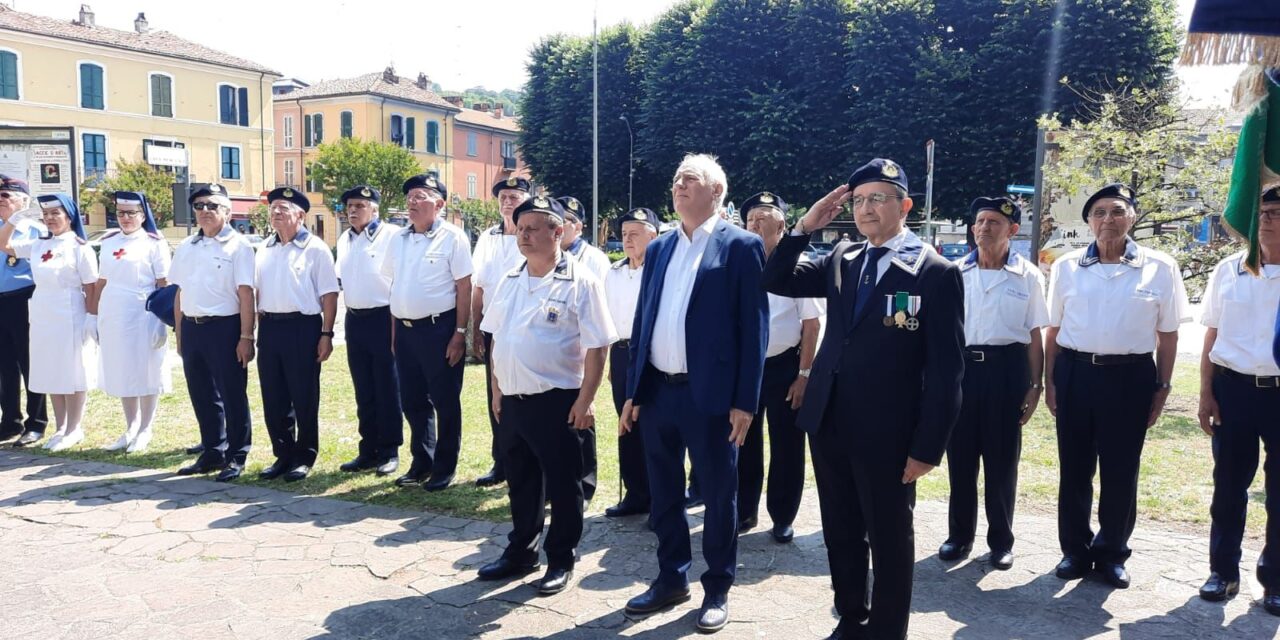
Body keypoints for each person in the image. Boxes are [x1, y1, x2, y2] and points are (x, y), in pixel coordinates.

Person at [762, 158, 964, 640]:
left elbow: (946, 371)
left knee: (890, 536)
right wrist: (805, 226)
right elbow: (775, 279)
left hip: (890, 432)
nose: (866, 209)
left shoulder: (934, 271)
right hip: (831, 419)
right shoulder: (843, 258)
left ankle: (887, 630)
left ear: (905, 206)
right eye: (858, 200)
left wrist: (926, 448)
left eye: (879, 198)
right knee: (841, 527)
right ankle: (851, 616)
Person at [620, 153, 769, 634]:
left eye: (691, 179)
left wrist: (746, 400)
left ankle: (718, 587)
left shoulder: (741, 246)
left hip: (713, 398)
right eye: (677, 179)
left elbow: (755, 329)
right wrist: (633, 390)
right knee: (664, 493)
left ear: (716, 192)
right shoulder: (661, 247)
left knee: (718, 493)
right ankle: (671, 578)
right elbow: (644, 318)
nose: (679, 185)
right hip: (660, 392)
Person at [1045, 183, 1190, 589]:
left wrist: (1162, 387)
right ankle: (1074, 549)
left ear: (1133, 217)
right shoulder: (1066, 267)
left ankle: (1112, 553)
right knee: (1074, 468)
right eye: (1099, 213)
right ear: (1089, 221)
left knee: (1121, 470)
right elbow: (1053, 331)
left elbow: (1170, 335)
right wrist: (1050, 383)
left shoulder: (1160, 267)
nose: (1108, 219)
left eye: (1117, 211)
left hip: (1131, 378)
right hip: (1076, 374)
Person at [478, 195, 614, 595]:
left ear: (558, 233)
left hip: (557, 399)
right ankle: (520, 552)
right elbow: (496, 340)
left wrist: (586, 401)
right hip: (514, 400)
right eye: (520, 228)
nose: (524, 235)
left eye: (533, 228)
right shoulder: (509, 279)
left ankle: (560, 559)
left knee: (563, 484)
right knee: (520, 481)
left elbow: (597, 346)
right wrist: (496, 392)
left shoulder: (582, 280)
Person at [939, 197, 1047, 571]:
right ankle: (959, 536)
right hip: (963, 372)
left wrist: (1036, 386)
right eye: (980, 221)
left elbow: (1035, 335)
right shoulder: (953, 272)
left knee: (1002, 463)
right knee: (961, 459)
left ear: (1012, 231)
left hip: (1006, 372)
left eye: (994, 223)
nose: (984, 228)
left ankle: (1001, 540)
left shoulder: (1029, 276)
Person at [1196, 185, 1280, 613]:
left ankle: (1276, 581)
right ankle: (1223, 571)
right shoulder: (1228, 269)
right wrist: (1206, 393)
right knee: (1229, 487)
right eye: (1262, 211)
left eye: (1276, 212)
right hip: (1233, 390)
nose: (1266, 218)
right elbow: (1212, 332)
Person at [741, 191, 823, 544]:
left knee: (787, 444)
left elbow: (812, 325)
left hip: (785, 367)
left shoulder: (800, 265)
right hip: (746, 367)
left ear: (783, 225)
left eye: (763, 218)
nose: (755, 224)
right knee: (742, 440)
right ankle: (744, 509)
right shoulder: (739, 264)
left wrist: (804, 375)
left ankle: (783, 515)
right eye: (749, 220)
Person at [382, 174, 471, 491]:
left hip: (440, 330)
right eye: (410, 197)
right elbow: (395, 286)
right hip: (405, 332)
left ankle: (444, 467)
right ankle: (422, 461)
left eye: (420, 196)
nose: (412, 202)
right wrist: (395, 332)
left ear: (440, 204)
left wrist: (460, 333)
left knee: (446, 400)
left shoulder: (453, 237)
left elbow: (464, 287)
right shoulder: (399, 239)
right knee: (412, 400)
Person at [169, 183, 257, 482]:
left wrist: (246, 336)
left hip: (225, 327)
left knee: (232, 393)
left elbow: (246, 295)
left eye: (212, 206)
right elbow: (180, 293)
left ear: (228, 212)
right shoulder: (186, 247)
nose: (205, 211)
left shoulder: (239, 246)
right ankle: (212, 449)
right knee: (202, 393)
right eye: (199, 206)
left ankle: (237, 454)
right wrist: (180, 334)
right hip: (193, 327)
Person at [0, 193, 99, 452]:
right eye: (46, 214)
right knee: (52, 370)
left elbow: (91, 286)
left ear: (69, 216)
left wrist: (92, 317)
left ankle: (74, 427)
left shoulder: (80, 247)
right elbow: (4, 245)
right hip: (44, 311)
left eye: (56, 213)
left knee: (73, 370)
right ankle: (61, 426)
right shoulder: (39, 244)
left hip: (70, 310)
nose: (50, 219)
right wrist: (13, 220)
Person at [254, 187, 339, 483]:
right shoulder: (265, 247)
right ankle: (283, 454)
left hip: (302, 327)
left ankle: (305, 455)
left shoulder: (315, 248)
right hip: (270, 327)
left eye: (283, 208)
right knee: (273, 395)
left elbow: (329, 295)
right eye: (273, 207)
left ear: (300, 215)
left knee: (303, 395)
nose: (276, 212)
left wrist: (326, 333)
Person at [95, 191, 172, 453]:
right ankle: (130, 427)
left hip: (143, 312)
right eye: (120, 213)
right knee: (122, 369)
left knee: (146, 369)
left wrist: (163, 320)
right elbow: (102, 280)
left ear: (143, 215)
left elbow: (164, 283)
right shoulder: (107, 241)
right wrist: (93, 316)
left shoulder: (153, 242)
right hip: (114, 312)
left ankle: (146, 428)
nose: (125, 218)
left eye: (131, 213)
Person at [335, 185, 402, 477]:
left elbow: (398, 282)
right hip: (354, 318)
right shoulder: (345, 239)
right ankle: (368, 449)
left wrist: (393, 327)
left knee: (387, 387)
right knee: (363, 387)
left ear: (375, 209)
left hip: (383, 317)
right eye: (350, 205)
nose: (353, 210)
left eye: (360, 205)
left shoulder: (391, 237)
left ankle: (389, 451)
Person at [470, 176, 532, 487]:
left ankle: (526, 463)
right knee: (495, 397)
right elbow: (479, 286)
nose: (508, 201)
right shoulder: (487, 238)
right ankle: (501, 463)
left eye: (514, 196)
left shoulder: (531, 234)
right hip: (494, 329)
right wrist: (476, 328)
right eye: (503, 196)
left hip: (525, 330)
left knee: (524, 398)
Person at [602, 207, 659, 520]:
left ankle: (658, 500)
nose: (627, 240)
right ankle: (635, 495)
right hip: (621, 352)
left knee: (651, 425)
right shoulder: (615, 272)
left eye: (635, 233)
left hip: (650, 354)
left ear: (653, 235)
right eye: (624, 234)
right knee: (625, 425)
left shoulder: (660, 271)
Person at [0, 175, 47, 446]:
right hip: (1, 299)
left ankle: (36, 423)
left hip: (24, 299)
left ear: (23, 201)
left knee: (31, 363)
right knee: (4, 366)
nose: (1, 200)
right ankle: (9, 422)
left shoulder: (35, 230)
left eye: (7, 195)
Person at [557, 195, 612, 281]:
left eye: (562, 221)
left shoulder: (595, 259)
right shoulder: (541, 256)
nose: (556, 226)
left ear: (578, 228)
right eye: (553, 220)